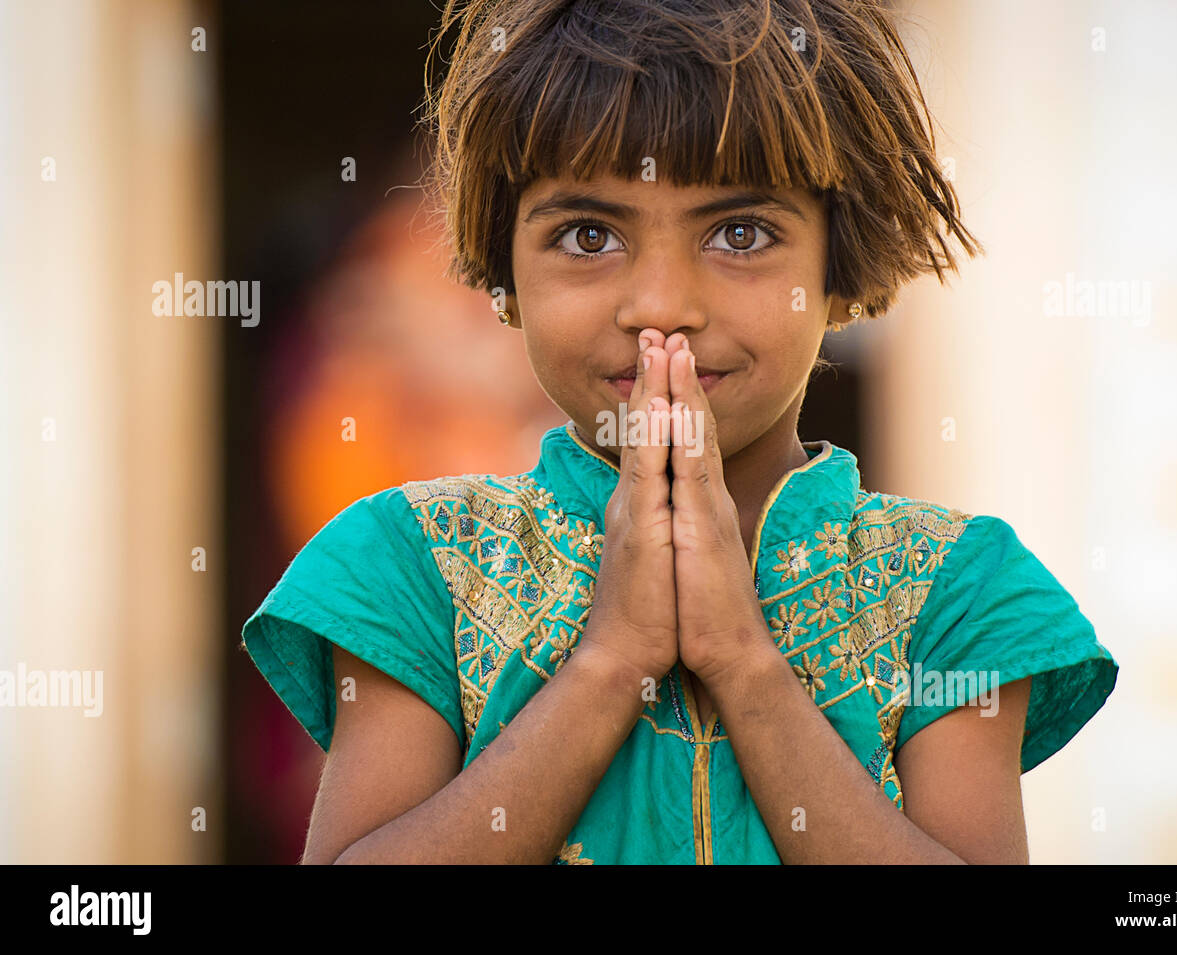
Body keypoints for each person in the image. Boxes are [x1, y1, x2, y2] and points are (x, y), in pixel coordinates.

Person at [242, 0, 1118, 864]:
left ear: (840, 272)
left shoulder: (955, 593)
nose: (660, 305)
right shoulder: (412, 567)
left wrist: (744, 661)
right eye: (588, 235)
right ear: (504, 273)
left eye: (740, 233)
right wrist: (610, 663)